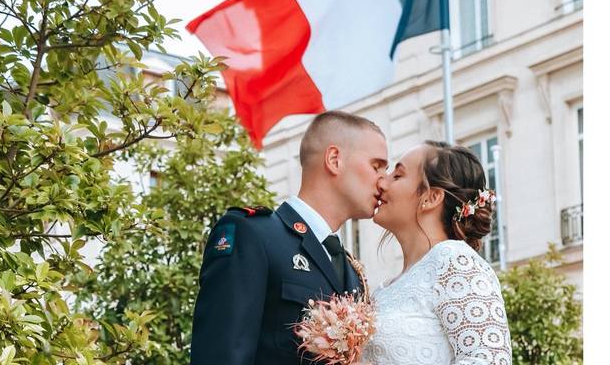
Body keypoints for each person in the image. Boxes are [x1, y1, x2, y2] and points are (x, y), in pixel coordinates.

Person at [189, 110, 388, 364]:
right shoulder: (254, 235)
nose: (383, 182)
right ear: (335, 159)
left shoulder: (350, 270)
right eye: (376, 166)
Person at [364, 140, 512, 365]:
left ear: (431, 197)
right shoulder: (385, 289)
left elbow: (489, 360)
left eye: (398, 175)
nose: (382, 182)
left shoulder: (455, 262)